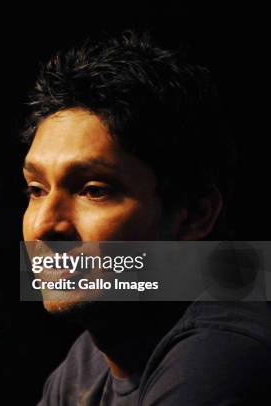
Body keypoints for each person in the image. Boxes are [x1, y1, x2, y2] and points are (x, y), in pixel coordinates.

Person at [21, 30, 271, 405]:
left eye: (93, 190)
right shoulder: (88, 360)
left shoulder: (224, 352)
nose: (44, 226)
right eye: (36, 190)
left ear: (194, 215)